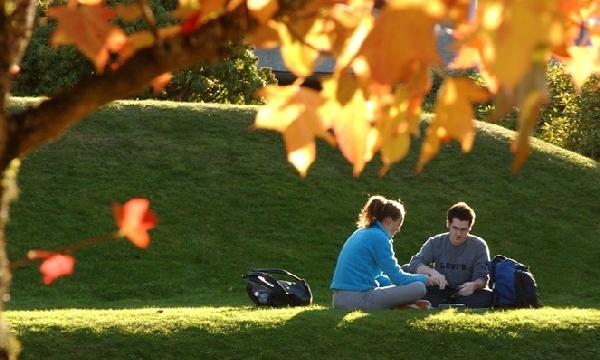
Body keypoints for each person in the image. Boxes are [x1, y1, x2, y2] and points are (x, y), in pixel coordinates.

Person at [330, 195, 432, 310]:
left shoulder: (362, 232)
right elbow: (398, 278)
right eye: (398, 225)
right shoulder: (380, 238)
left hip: (339, 299)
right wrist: (424, 279)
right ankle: (402, 304)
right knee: (419, 287)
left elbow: (377, 277)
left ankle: (403, 305)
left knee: (408, 284)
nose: (398, 230)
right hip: (358, 298)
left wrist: (399, 285)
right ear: (388, 221)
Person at [405, 202, 493, 308]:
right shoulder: (436, 242)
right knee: (417, 288)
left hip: (466, 292)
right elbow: (415, 263)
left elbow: (482, 277)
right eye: (455, 228)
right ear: (449, 225)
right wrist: (432, 272)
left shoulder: (479, 246)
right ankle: (446, 304)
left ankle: (441, 305)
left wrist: (474, 285)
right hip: (440, 289)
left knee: (488, 297)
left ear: (470, 228)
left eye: (463, 229)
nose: (459, 234)